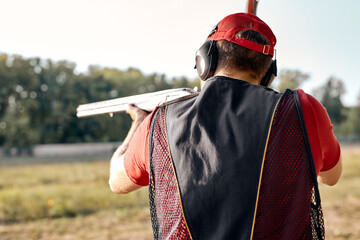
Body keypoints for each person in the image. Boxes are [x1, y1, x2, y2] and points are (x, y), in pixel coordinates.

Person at [109, 13, 342, 239]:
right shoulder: (303, 110)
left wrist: (138, 123)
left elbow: (117, 181)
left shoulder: (159, 122)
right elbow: (331, 177)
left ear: (204, 61)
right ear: (269, 73)